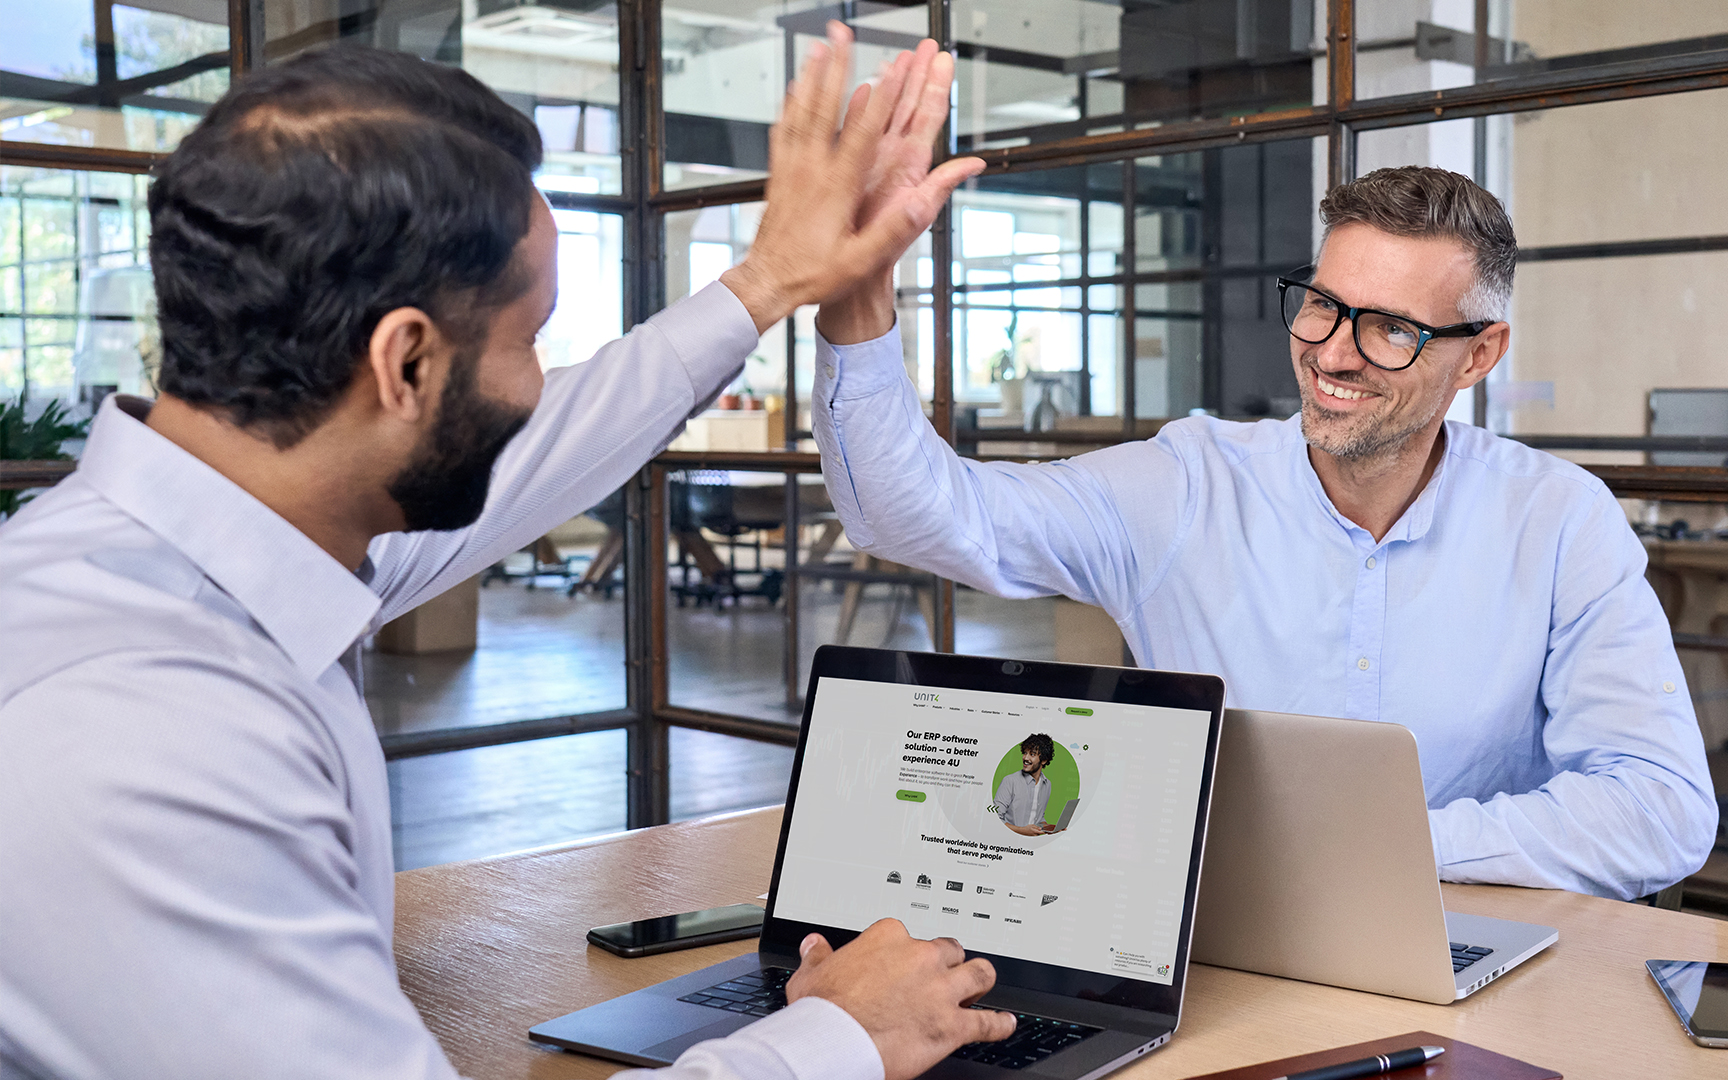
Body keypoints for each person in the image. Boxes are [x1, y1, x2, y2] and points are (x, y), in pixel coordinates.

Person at [0, 28, 1015, 1080]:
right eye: (531, 342)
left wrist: (767, 283)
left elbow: (550, 452)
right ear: (404, 362)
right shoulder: (136, 731)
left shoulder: (207, 556)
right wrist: (841, 1039)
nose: (538, 386)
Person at [808, 166, 1718, 902]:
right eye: (1321, 303)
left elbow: (1661, 807)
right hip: (1226, 954)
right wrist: (856, 306)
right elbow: (913, 513)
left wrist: (1389, 849)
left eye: (1391, 329)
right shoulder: (1186, 485)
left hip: (1474, 948)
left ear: (1478, 355)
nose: (1331, 352)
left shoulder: (1559, 521)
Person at [995, 734, 1056, 836]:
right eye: (1025, 753)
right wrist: (1022, 831)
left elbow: (1038, 817)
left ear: (1044, 760)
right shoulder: (1010, 781)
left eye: (1032, 754)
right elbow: (994, 818)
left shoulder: (1047, 784)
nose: (1025, 758)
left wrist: (1048, 828)